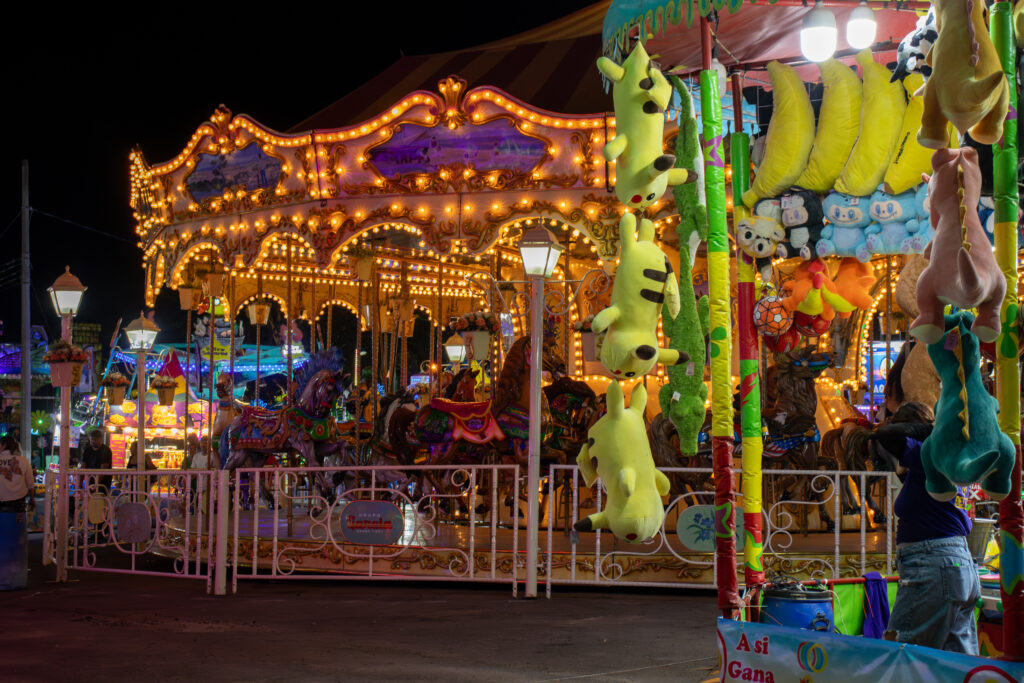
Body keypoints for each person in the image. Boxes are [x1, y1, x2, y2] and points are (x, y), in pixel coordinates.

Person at [872, 402, 980, 655]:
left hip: (932, 564)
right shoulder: (948, 459)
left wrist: (928, 429)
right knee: (955, 661)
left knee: (902, 652)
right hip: (956, 565)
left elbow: (886, 435)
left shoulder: (928, 453)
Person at [0, 436, 35, 513]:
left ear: (4, 445)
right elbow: (30, 483)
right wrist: (32, 500)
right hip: (18, 504)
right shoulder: (23, 460)